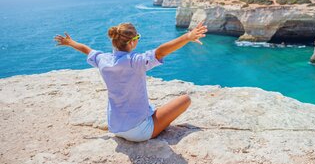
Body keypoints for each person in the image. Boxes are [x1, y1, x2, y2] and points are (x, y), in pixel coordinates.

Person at [54, 20, 207, 142]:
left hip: (116, 127)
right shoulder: (136, 61)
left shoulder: (103, 60)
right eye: (138, 37)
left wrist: (70, 43)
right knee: (185, 100)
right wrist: (187, 37)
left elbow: (87, 50)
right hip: (139, 132)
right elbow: (160, 52)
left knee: (152, 108)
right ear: (133, 41)